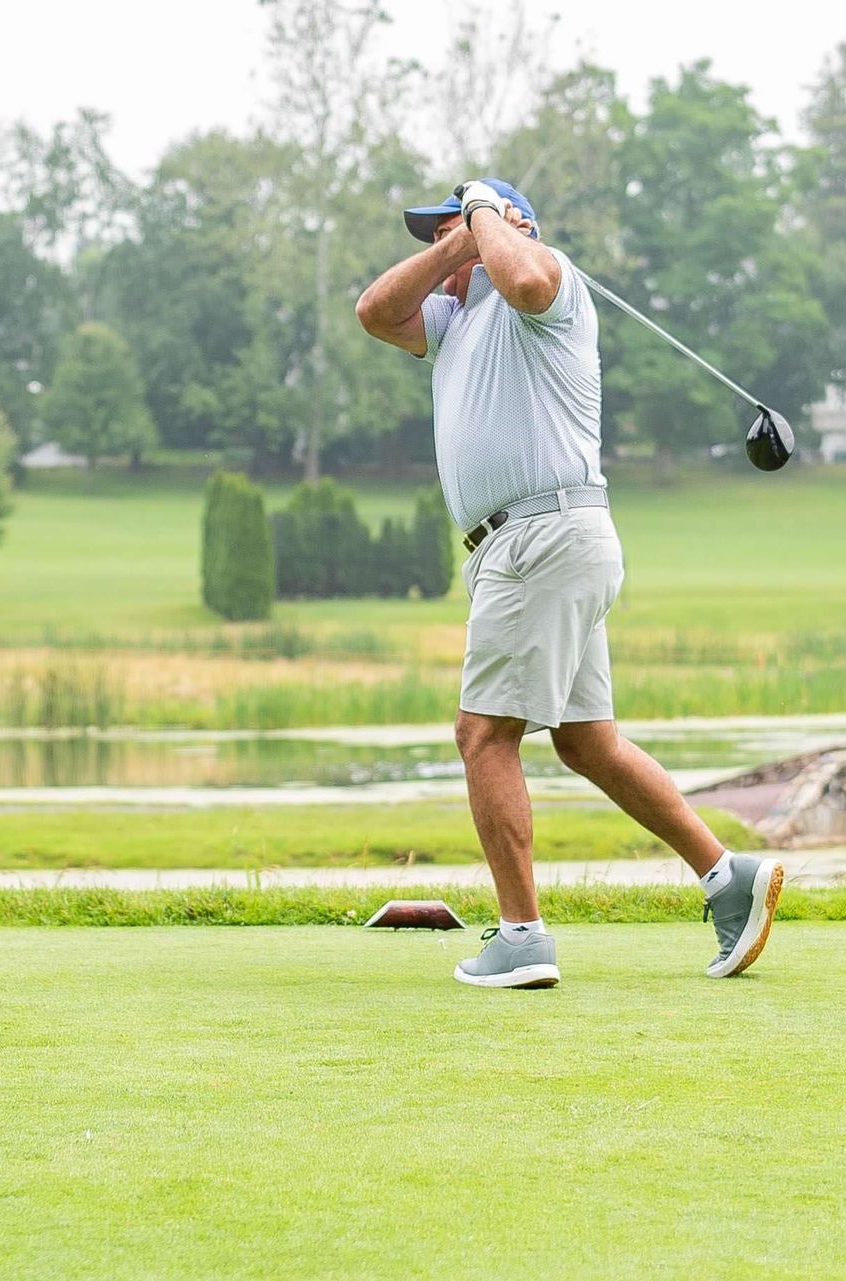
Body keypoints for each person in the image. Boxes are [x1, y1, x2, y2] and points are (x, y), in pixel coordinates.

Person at [355, 178, 782, 989]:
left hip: (540, 536)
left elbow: (523, 278)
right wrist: (461, 239)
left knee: (483, 736)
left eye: (448, 235)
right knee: (588, 741)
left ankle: (521, 937)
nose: (437, 256)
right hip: (540, 544)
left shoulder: (547, 285)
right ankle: (728, 878)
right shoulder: (450, 326)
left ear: (505, 230)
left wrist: (489, 223)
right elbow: (375, 313)